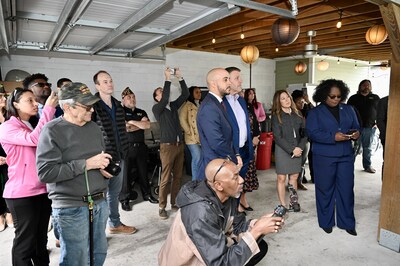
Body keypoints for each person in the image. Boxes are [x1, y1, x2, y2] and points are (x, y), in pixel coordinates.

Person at [37, 82, 112, 266]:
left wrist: (103, 168)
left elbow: (98, 158)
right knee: (76, 260)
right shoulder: (52, 131)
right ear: (67, 107)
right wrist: (85, 165)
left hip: (100, 203)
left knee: (98, 254)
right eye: (86, 106)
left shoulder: (93, 128)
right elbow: (45, 172)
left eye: (92, 105)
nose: (92, 110)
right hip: (71, 208)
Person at [158, 158, 284, 266]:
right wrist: (257, 231)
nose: (241, 180)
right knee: (251, 244)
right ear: (218, 185)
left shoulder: (228, 195)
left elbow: (237, 227)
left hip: (209, 252)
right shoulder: (201, 213)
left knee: (259, 247)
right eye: (235, 177)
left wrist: (258, 224)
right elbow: (219, 263)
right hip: (186, 262)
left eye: (238, 174)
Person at [0, 87, 58, 265]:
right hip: (22, 194)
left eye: (35, 100)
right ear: (15, 104)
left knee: (40, 242)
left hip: (41, 189)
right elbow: (34, 139)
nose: (35, 104)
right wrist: (48, 110)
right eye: (29, 100)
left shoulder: (33, 123)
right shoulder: (7, 127)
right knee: (25, 244)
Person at [306, 79, 360, 236]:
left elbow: (356, 127)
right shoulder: (314, 113)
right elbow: (312, 133)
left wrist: (356, 134)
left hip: (345, 156)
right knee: (325, 190)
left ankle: (347, 222)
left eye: (339, 96)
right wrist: (332, 137)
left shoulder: (349, 109)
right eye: (332, 96)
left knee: (346, 190)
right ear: (324, 96)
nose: (336, 99)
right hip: (324, 156)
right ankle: (326, 222)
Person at [92, 70, 136, 234]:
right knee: (99, 196)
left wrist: (125, 150)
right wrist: (97, 157)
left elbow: (122, 130)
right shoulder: (93, 106)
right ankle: (97, 231)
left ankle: (115, 224)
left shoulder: (118, 105)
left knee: (114, 193)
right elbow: (91, 133)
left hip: (120, 155)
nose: (109, 84)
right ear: (97, 85)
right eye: (104, 81)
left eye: (110, 80)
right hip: (103, 158)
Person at [152, 67, 189, 220]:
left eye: (163, 90)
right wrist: (167, 79)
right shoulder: (157, 109)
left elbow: (186, 94)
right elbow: (166, 95)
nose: (163, 92)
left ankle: (174, 203)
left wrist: (180, 78)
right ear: (156, 98)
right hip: (167, 147)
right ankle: (161, 207)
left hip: (179, 145)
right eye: (159, 92)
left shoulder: (173, 107)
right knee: (165, 178)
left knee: (178, 177)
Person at [197, 68, 242, 181]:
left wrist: (236, 154)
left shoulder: (217, 103)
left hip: (221, 163)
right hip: (215, 167)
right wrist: (234, 160)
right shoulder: (209, 107)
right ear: (213, 83)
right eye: (225, 80)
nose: (229, 83)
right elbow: (217, 142)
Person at [120, 87, 158, 212]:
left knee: (143, 173)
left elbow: (147, 125)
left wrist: (131, 122)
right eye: (129, 97)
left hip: (141, 147)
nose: (132, 99)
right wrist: (137, 124)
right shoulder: (121, 112)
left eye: (133, 97)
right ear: (123, 100)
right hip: (127, 147)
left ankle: (147, 194)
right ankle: (125, 199)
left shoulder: (141, 111)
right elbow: (126, 129)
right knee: (125, 175)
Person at [223, 67, 255, 213]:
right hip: (230, 153)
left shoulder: (241, 101)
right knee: (228, 187)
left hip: (244, 150)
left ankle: (236, 211)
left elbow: (245, 126)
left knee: (239, 185)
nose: (241, 81)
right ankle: (230, 215)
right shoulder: (221, 103)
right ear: (227, 81)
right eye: (237, 78)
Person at [271, 90, 307, 212]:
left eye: (288, 97)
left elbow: (304, 134)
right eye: (283, 98)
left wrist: (299, 148)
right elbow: (277, 137)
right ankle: (283, 205)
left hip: (297, 148)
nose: (287, 100)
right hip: (283, 149)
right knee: (281, 178)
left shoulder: (298, 114)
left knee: (294, 177)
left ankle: (293, 202)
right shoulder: (277, 116)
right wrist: (292, 150)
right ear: (278, 101)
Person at [347, 79, 380, 173]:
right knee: (354, 148)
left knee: (368, 148)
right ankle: (349, 166)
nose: (366, 87)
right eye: (364, 85)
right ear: (360, 86)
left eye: (368, 85)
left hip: (370, 127)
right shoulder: (353, 98)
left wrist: (378, 122)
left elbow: (380, 111)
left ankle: (367, 166)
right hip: (355, 127)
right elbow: (348, 112)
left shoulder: (375, 97)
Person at [291, 89, 314, 189]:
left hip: (306, 139)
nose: (302, 104)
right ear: (294, 102)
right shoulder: (290, 113)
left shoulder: (306, 110)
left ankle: (299, 182)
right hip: (295, 141)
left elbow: (315, 111)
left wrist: (308, 101)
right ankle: (292, 183)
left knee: (302, 162)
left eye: (303, 101)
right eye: (299, 102)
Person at [179, 86, 202, 180]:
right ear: (191, 94)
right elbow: (181, 119)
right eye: (196, 92)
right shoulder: (187, 105)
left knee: (200, 159)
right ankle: (194, 181)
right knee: (197, 158)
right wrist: (188, 131)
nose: (199, 94)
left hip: (201, 137)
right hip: (191, 138)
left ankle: (199, 180)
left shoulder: (201, 104)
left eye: (200, 92)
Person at [243, 89, 261, 207]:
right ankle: (241, 200)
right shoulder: (243, 105)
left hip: (251, 142)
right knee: (242, 172)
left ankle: (242, 199)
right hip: (243, 143)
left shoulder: (249, 106)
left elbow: (255, 122)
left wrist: (256, 136)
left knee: (249, 170)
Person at [0, 85, 12, 232]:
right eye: (0, 96)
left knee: (11, 183)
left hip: (11, 156)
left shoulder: (10, 115)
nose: (3, 98)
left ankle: (9, 212)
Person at [376, 95, 388, 177]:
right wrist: (386, 136)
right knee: (388, 161)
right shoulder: (384, 101)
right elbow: (380, 120)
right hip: (389, 138)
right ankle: (386, 187)